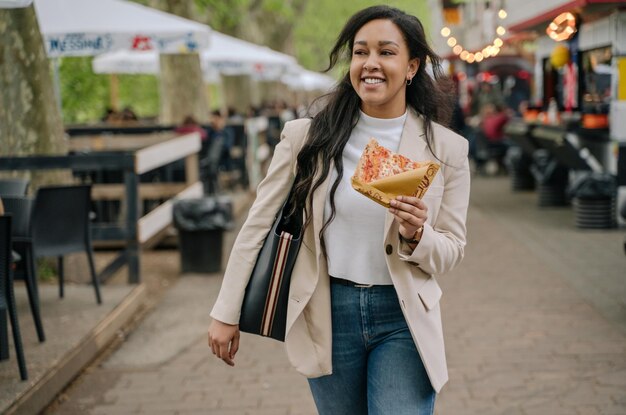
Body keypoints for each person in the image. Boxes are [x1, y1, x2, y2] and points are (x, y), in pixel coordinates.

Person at [208, 5, 470, 414]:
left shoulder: (448, 150)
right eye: (360, 52)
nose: (370, 63)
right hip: (327, 311)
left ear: (412, 66)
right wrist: (226, 312)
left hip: (402, 317)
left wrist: (418, 235)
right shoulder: (307, 138)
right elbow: (256, 227)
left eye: (386, 52)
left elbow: (451, 250)